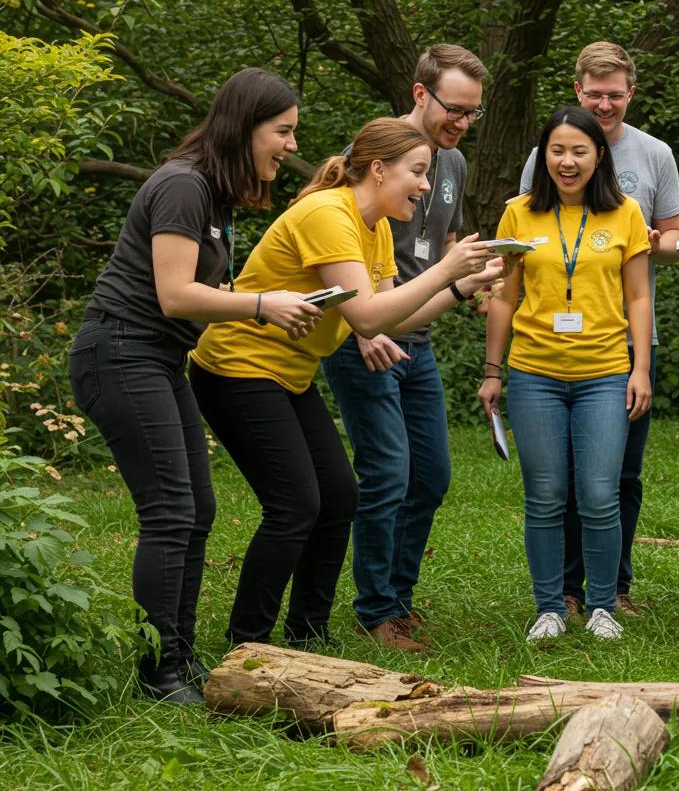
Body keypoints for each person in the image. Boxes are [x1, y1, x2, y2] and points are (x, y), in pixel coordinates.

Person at [189, 118, 502, 651]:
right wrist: (447, 265)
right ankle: (249, 644)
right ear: (378, 170)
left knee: (338, 497)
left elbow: (392, 319)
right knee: (295, 506)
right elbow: (365, 317)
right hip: (236, 368)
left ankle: (308, 636)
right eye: (418, 173)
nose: (427, 187)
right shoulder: (328, 214)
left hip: (288, 373)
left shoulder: (375, 225)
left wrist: (459, 285)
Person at [68, 68, 322, 704]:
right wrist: (264, 305)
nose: (291, 145)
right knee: (171, 512)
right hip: (121, 352)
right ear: (244, 127)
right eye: (283, 131)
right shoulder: (183, 186)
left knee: (196, 510)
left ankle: (175, 655)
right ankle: (161, 675)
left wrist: (278, 302)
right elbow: (176, 295)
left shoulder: (213, 194)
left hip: (155, 357)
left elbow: (205, 293)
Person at [321, 44, 489, 653]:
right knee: (387, 471)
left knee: (432, 475)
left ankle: (400, 598)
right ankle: (376, 611)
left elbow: (442, 247)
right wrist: (363, 328)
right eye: (454, 108)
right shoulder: (372, 156)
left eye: (473, 112)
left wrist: (470, 283)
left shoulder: (455, 164)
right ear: (420, 94)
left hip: (417, 332)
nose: (462, 122)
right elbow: (327, 241)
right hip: (362, 335)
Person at [519, 42, 679, 617]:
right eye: (596, 94)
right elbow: (528, 233)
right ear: (578, 92)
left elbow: (672, 237)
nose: (606, 103)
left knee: (617, 476)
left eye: (616, 94)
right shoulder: (545, 156)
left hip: (627, 342)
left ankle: (613, 590)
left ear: (630, 94)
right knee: (557, 482)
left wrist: (635, 240)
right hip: (546, 352)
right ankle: (563, 592)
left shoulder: (655, 155)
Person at [481, 105, 652, 643]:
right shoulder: (518, 214)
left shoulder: (625, 212)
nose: (567, 161)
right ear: (543, 156)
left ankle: (602, 606)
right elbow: (504, 295)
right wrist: (493, 371)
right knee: (546, 494)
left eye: (579, 150)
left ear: (598, 155)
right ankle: (551, 608)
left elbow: (640, 295)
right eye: (557, 150)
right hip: (534, 373)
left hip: (605, 371)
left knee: (600, 493)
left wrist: (640, 367)